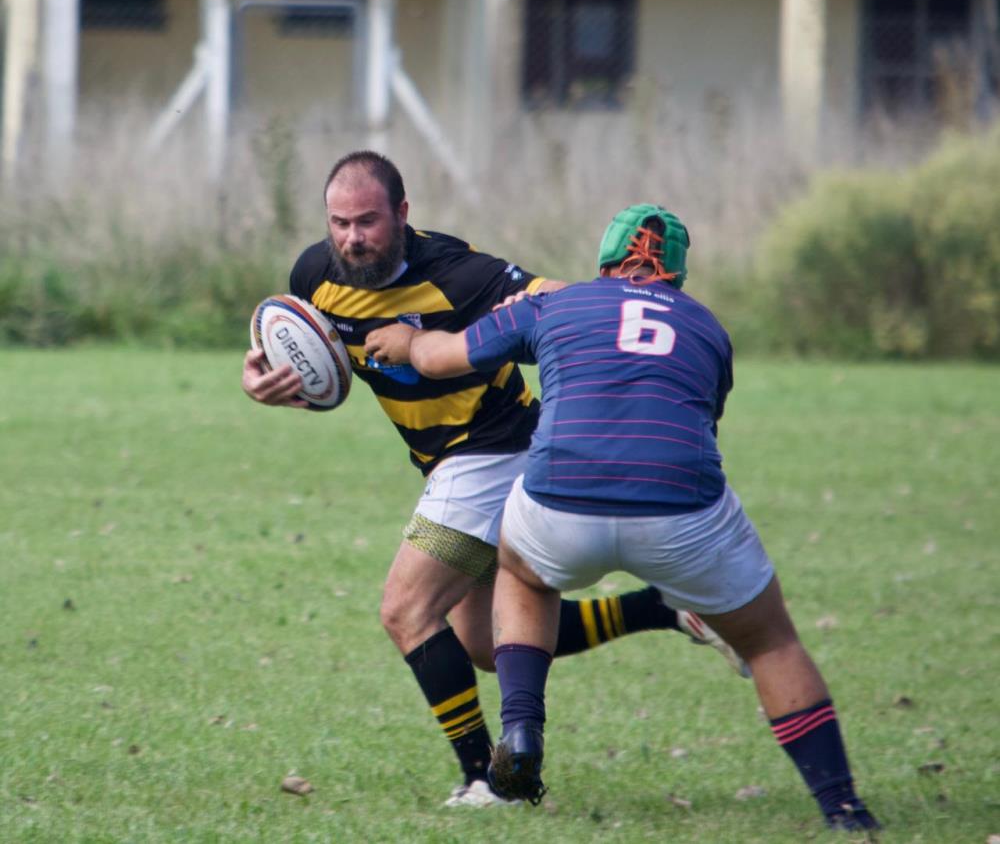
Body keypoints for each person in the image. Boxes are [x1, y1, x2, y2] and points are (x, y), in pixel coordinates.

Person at [241, 153, 750, 807]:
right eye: (339, 223)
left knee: (406, 610)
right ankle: (666, 608)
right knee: (485, 642)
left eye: (367, 221)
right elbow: (311, 359)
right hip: (449, 462)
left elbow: (561, 299)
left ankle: (487, 776)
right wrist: (265, 380)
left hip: (492, 448)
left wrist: (642, 322)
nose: (353, 238)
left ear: (401, 213)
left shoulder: (461, 273)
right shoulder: (315, 275)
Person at [405, 204, 880, 831]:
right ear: (677, 274)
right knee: (771, 642)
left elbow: (442, 357)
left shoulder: (556, 304)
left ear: (604, 261)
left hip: (560, 501)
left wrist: (406, 341)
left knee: (521, 575)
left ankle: (520, 730)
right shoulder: (708, 328)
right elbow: (701, 419)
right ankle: (844, 810)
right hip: (680, 508)